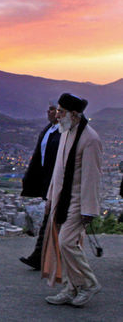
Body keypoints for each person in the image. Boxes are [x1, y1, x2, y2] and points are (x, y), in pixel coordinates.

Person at [41, 93, 102, 307]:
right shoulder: (67, 132)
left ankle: (88, 284)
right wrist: (50, 197)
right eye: (57, 111)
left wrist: (89, 209)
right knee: (62, 243)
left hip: (78, 200)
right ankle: (69, 287)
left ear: (74, 115)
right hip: (61, 198)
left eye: (61, 112)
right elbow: (59, 170)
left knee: (67, 242)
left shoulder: (90, 139)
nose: (57, 116)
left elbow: (92, 177)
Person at [19, 102, 61, 270]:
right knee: (51, 219)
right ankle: (42, 257)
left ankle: (40, 257)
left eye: (53, 109)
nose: (49, 112)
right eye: (49, 108)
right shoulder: (48, 129)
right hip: (47, 181)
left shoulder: (62, 133)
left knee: (52, 220)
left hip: (56, 182)